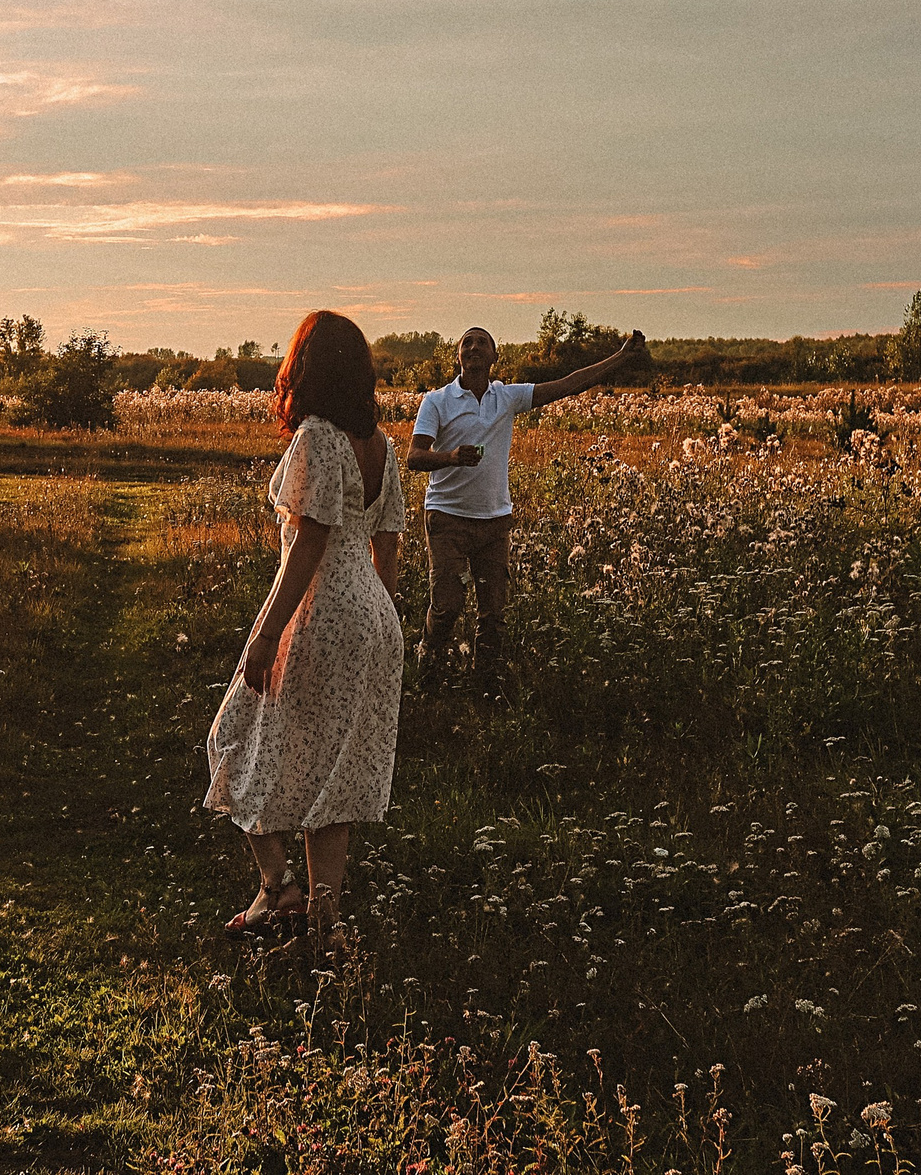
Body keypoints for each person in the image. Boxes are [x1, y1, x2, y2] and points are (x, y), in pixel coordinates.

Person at [205, 310, 408, 953]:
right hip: (375, 617)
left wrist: (267, 633)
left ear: (306, 367)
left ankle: (278, 885)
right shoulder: (381, 446)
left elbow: (310, 544)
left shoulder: (318, 437)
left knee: (231, 735)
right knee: (335, 775)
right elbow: (388, 544)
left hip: (323, 611)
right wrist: (379, 627)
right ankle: (323, 927)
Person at [406, 324, 644, 692]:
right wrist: (451, 457)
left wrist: (621, 357)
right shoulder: (437, 401)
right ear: (458, 356)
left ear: (495, 356)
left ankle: (484, 687)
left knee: (493, 613)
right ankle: (428, 674)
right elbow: (414, 457)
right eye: (467, 343)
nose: (473, 347)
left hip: (494, 522)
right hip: (447, 518)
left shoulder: (508, 397)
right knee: (447, 605)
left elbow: (568, 385)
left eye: (482, 342)